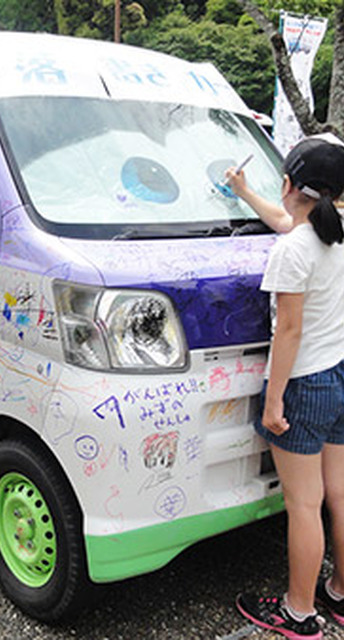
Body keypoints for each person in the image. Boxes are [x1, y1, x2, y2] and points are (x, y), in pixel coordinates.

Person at [226, 136, 344, 639]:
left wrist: (274, 401)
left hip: (306, 384)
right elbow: (288, 219)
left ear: (289, 182)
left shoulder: (290, 252)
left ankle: (298, 612)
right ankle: (338, 594)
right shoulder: (334, 232)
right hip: (341, 373)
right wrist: (245, 192)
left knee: (303, 503)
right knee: (339, 492)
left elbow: (288, 333)